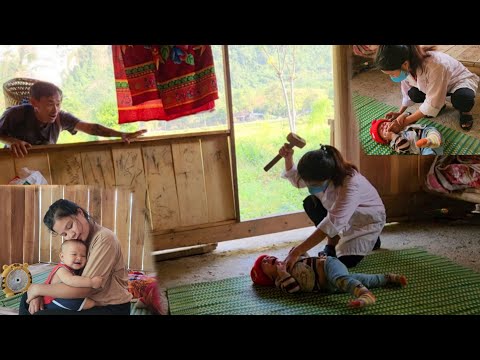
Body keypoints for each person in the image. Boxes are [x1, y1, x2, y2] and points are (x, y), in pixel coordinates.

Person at [279, 144, 385, 269]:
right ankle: (332, 243)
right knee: (310, 203)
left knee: (343, 262)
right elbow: (295, 177)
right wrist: (288, 158)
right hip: (341, 216)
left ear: (328, 177)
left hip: (365, 221)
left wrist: (297, 251)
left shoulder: (350, 184)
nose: (309, 187)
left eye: (313, 184)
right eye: (307, 183)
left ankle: (372, 238)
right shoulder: (319, 171)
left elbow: (331, 223)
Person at [19, 199, 133, 315]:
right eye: (64, 234)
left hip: (109, 307)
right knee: (26, 299)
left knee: (39, 311)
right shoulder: (77, 242)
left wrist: (38, 289)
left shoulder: (104, 239)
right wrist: (38, 295)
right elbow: (61, 275)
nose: (71, 234)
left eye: (70, 226)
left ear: (80, 213)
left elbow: (84, 289)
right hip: (82, 301)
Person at [0, 81, 148, 158]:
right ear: (34, 103)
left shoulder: (61, 117)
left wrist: (120, 134)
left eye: (58, 104)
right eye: (50, 104)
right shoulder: (15, 114)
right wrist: (12, 141)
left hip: (43, 169)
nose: (55, 109)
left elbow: (90, 128)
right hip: (13, 166)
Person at [375, 45, 479, 132]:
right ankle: (440, 105)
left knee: (463, 99)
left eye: (392, 73)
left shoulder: (436, 65)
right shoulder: (405, 65)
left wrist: (405, 122)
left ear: (405, 64)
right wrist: (400, 113)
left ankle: (465, 112)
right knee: (413, 93)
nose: (392, 77)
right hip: (436, 86)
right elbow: (406, 91)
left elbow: (432, 101)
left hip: (458, 82)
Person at [251, 253, 407, 308]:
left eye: (267, 257)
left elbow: (305, 257)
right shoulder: (281, 282)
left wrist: (296, 254)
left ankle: (365, 295)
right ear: (269, 278)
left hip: (327, 265)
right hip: (329, 286)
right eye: (264, 263)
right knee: (357, 279)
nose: (268, 258)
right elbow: (294, 290)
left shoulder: (287, 261)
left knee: (342, 279)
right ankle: (387, 278)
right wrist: (283, 274)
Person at [42, 239, 103, 311]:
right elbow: (71, 280)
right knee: (89, 303)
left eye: (83, 256)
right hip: (53, 300)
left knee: (88, 302)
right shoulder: (61, 269)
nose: (79, 258)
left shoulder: (70, 269)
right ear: (62, 256)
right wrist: (91, 282)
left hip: (60, 298)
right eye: (74, 254)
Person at [370, 118, 443, 155]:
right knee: (430, 152)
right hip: (422, 147)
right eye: (381, 130)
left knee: (433, 131)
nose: (384, 126)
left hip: (424, 131)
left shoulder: (397, 125)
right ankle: (431, 142)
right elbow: (405, 146)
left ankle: (432, 138)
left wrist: (403, 116)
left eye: (384, 123)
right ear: (386, 140)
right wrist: (393, 136)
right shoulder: (393, 143)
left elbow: (410, 116)